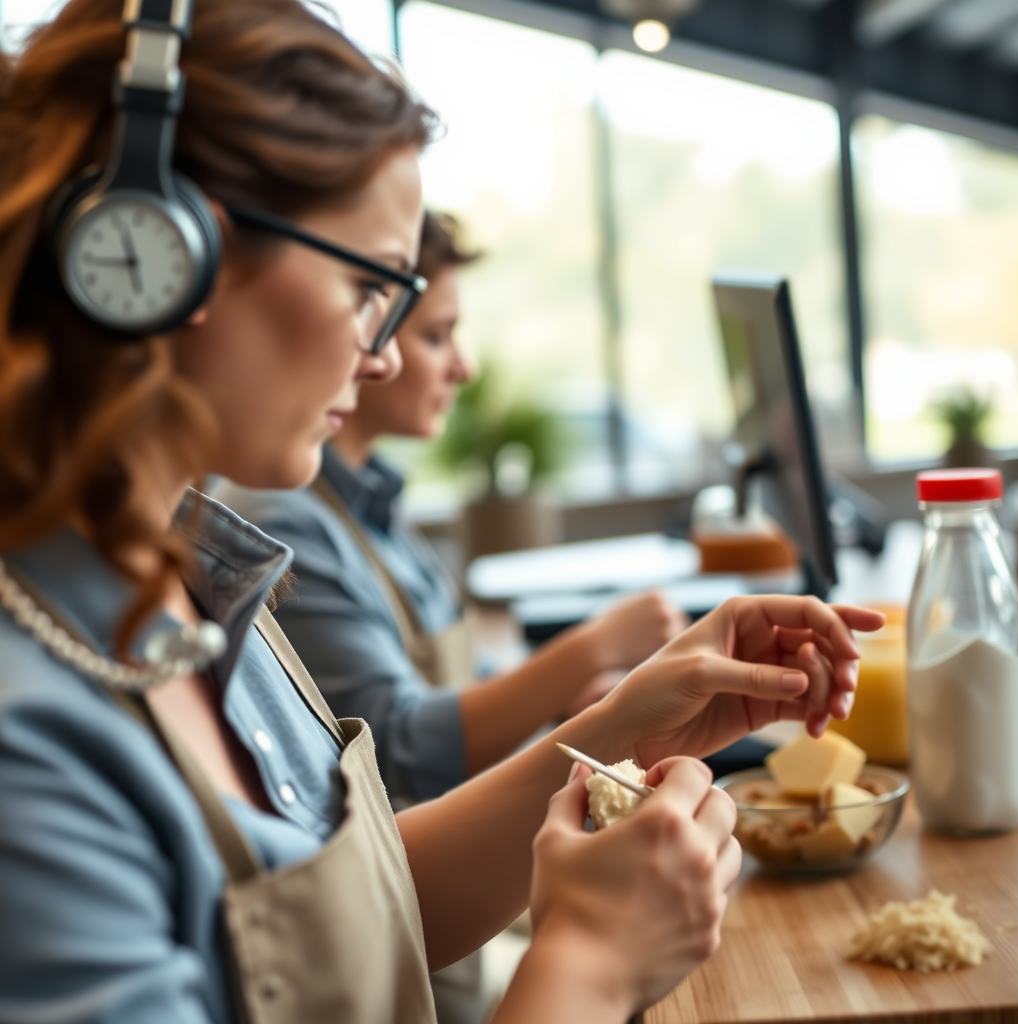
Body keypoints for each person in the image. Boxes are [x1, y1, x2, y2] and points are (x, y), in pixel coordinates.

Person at [0, 3, 885, 1024]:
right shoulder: (30, 744)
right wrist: (589, 968)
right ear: (160, 248)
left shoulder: (191, 581)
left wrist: (623, 730)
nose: (381, 353)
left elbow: (352, 917)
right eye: (367, 285)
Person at [217, 211, 687, 814]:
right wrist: (589, 648)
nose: (461, 367)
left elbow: (467, 683)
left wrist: (572, 700)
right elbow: (396, 742)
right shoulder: (283, 523)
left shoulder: (373, 502)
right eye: (437, 337)